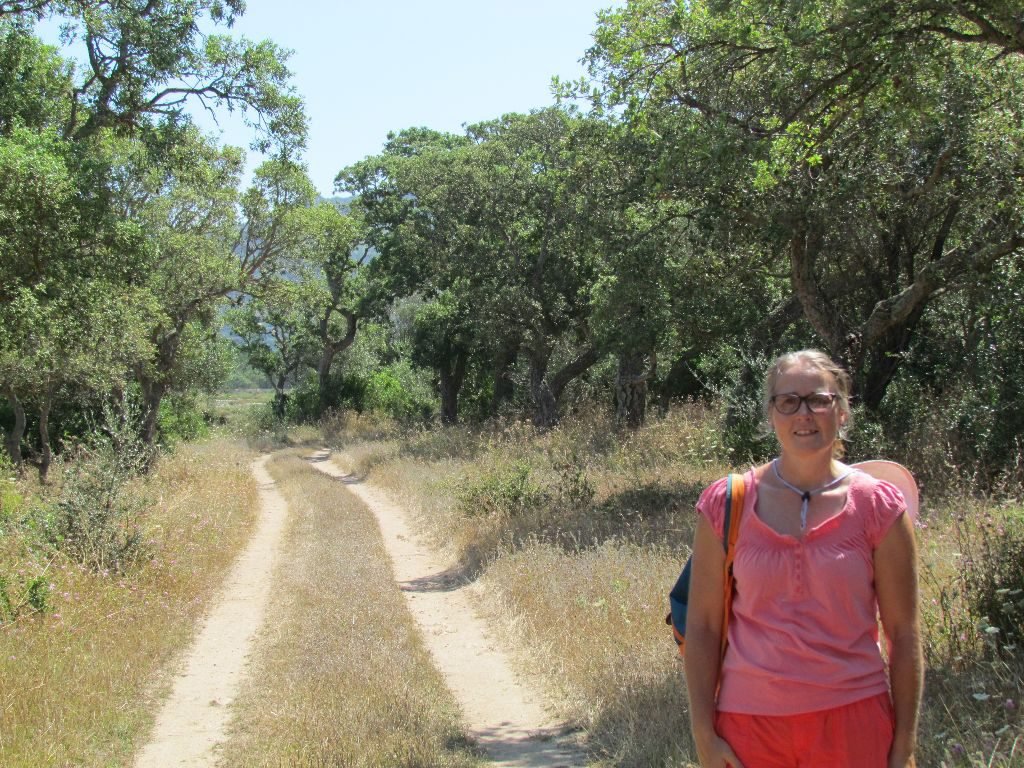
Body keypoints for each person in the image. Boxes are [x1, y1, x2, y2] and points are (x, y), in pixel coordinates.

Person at [684, 350, 923, 767]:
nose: (804, 414)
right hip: (748, 728)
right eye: (788, 402)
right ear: (771, 414)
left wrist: (904, 742)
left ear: (842, 410)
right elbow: (702, 627)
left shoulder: (879, 506)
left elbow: (903, 634)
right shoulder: (726, 503)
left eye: (818, 399)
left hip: (854, 724)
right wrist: (704, 733)